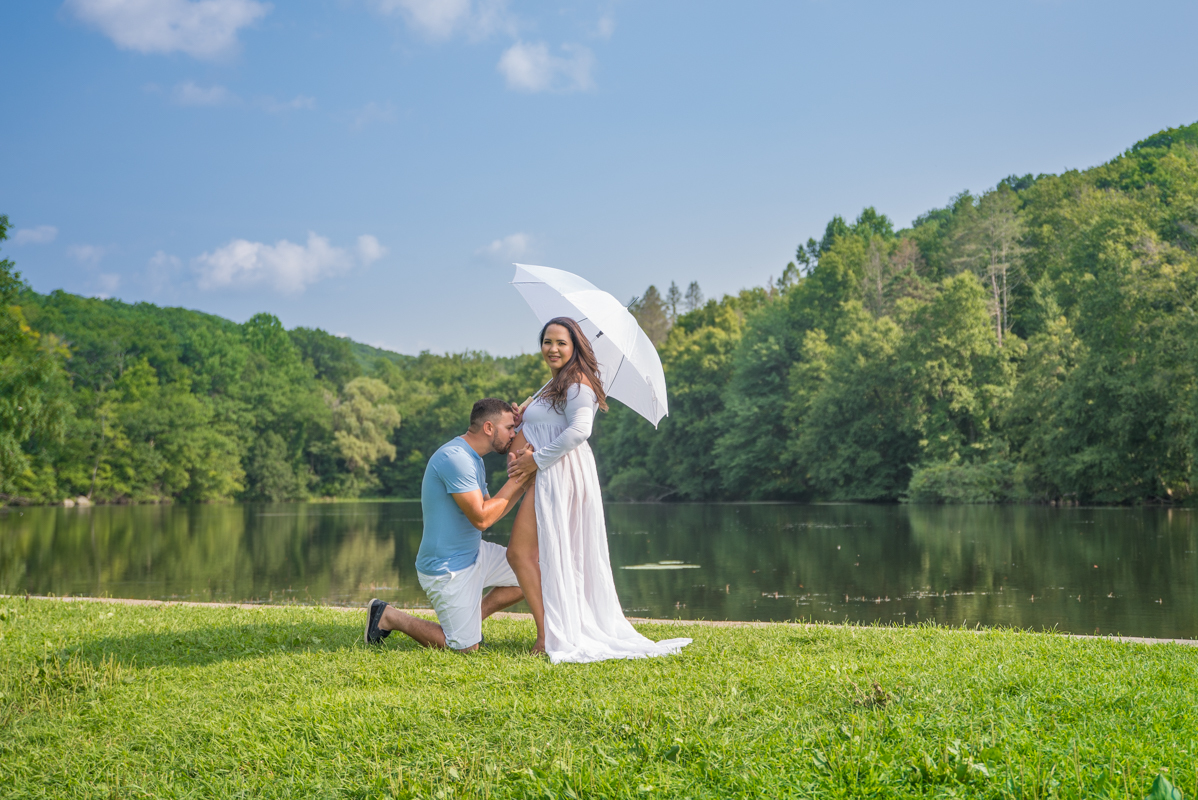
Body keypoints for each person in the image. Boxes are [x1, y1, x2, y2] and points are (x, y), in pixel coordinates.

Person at [506, 317, 691, 663]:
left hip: (562, 473)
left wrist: (536, 461)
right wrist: (521, 418)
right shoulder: (554, 384)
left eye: (561, 343)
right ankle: (552, 630)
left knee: (520, 553)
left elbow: (580, 431)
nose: (553, 349)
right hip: (549, 472)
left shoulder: (578, 383)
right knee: (535, 553)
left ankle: (548, 635)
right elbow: (547, 425)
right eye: (547, 341)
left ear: (575, 346)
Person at [364, 398, 532, 652]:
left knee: (531, 572)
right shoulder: (456, 458)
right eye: (509, 428)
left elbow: (492, 509)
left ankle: (470, 623)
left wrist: (522, 477)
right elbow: (482, 519)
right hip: (447, 568)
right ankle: (388, 615)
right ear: (488, 428)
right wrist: (520, 477)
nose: (513, 434)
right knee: (464, 649)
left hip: (475, 553)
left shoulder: (474, 459)